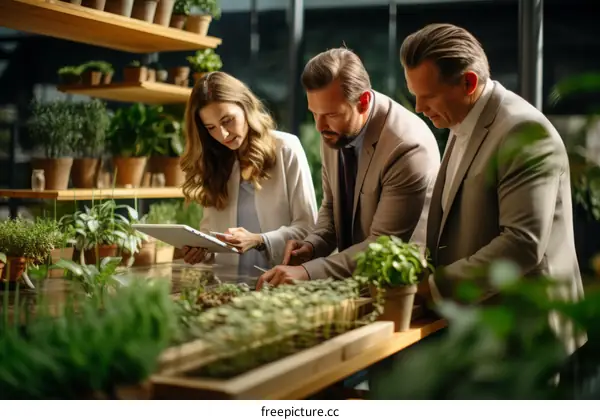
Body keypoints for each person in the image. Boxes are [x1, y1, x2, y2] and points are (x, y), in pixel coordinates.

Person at [400, 23, 585, 353]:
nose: (418, 107)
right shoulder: (463, 119)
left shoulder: (522, 131)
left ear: (469, 83)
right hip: (483, 329)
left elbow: (521, 244)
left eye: (427, 95)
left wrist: (433, 288)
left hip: (527, 335)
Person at [257, 47, 441, 289]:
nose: (320, 126)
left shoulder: (406, 146)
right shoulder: (333, 129)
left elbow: (381, 245)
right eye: (314, 113)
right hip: (353, 284)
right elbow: (332, 206)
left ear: (363, 101)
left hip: (401, 291)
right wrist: (312, 245)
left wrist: (306, 272)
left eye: (331, 114)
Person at [179, 71, 318, 277]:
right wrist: (202, 251)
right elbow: (213, 235)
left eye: (227, 120)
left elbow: (308, 227)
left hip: (280, 283)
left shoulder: (285, 148)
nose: (222, 134)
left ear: (245, 106)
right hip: (228, 287)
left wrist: (259, 240)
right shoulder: (215, 163)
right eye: (211, 127)